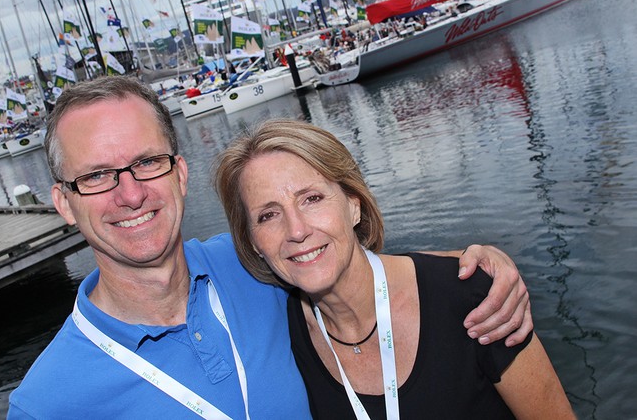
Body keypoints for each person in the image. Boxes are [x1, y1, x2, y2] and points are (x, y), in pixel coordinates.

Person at [9, 77, 529, 418]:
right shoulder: (46, 404)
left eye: (148, 162)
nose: (130, 193)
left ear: (180, 173)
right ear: (64, 201)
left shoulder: (255, 266)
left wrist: (480, 266)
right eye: (97, 175)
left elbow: (353, 261)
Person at [214, 119, 575, 419]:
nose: (296, 230)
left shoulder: (471, 298)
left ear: (354, 205)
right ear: (255, 245)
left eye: (312, 198)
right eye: (268, 215)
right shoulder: (280, 333)